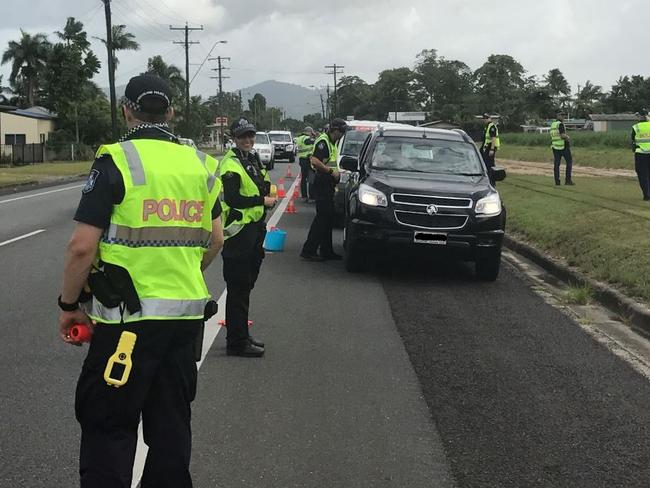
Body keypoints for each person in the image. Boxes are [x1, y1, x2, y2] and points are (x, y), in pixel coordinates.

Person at [57, 74, 224, 487]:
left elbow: (82, 247)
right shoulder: (201, 164)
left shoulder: (117, 160)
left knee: (109, 427)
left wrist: (68, 305)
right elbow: (216, 239)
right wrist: (180, 271)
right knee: (170, 431)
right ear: (170, 111)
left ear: (127, 110)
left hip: (124, 326)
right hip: (184, 324)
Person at [220, 117, 277, 357]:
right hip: (238, 233)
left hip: (254, 229)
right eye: (243, 136)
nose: (248, 140)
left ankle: (241, 334)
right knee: (238, 288)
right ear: (234, 138)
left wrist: (267, 193)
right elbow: (233, 199)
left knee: (247, 285)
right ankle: (237, 342)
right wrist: (261, 200)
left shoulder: (251, 159)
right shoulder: (230, 165)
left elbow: (263, 183)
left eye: (251, 135)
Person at [300, 118, 348, 261]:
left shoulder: (332, 142)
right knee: (322, 218)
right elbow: (314, 160)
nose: (343, 134)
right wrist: (330, 172)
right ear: (336, 130)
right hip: (322, 183)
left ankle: (326, 250)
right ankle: (309, 250)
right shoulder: (323, 141)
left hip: (328, 184)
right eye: (342, 131)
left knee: (328, 218)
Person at [550, 111, 574, 186]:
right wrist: (568, 137)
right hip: (563, 146)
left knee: (556, 164)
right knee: (569, 162)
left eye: (564, 115)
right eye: (562, 115)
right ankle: (568, 180)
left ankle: (557, 182)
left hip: (555, 146)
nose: (564, 117)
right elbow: (562, 135)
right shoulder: (560, 124)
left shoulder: (553, 124)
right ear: (558, 116)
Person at [632, 108, 650, 201]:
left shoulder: (636, 127)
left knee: (643, 175)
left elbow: (633, 141)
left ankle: (647, 195)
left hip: (641, 154)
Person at [295, 126, 317, 201]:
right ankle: (311, 197)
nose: (311, 134)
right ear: (309, 132)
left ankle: (304, 196)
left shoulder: (299, 138)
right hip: (308, 160)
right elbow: (311, 141)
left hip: (302, 160)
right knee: (311, 178)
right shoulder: (306, 138)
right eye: (311, 133)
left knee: (303, 178)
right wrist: (315, 137)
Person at [480, 113, 500, 183]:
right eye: (484, 119)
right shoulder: (487, 126)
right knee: (485, 163)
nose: (484, 120)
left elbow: (493, 138)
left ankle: (492, 180)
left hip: (490, 147)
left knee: (490, 165)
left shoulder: (491, 126)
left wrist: (491, 149)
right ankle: (487, 178)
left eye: (486, 118)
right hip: (487, 147)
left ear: (489, 118)